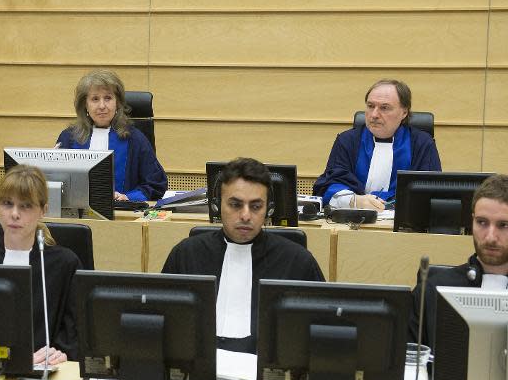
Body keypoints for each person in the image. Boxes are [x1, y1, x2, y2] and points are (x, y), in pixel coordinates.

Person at [161, 157, 324, 353]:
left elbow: (321, 335)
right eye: (235, 205)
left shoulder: (298, 261)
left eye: (256, 206)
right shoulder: (186, 254)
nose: (246, 215)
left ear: (269, 209)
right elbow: (162, 327)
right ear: (216, 206)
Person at [0, 165, 82, 364]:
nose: (15, 214)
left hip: (43, 372)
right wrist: (13, 359)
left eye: (26, 206)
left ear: (43, 210)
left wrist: (59, 355)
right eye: (7, 204)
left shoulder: (65, 264)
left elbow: (74, 338)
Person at [409, 174, 508, 348]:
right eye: (482, 222)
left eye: (503, 225)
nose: (491, 237)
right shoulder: (432, 290)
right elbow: (409, 362)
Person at [313, 79, 441, 211]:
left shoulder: (421, 144)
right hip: (354, 221)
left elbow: (431, 191)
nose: (374, 115)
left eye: (384, 108)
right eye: (370, 106)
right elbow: (329, 184)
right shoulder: (348, 141)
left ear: (404, 112)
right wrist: (354, 201)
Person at [55, 69, 167, 201]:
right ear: (85, 104)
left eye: (108, 98)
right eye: (95, 99)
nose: (102, 106)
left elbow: (156, 184)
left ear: (117, 102)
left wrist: (128, 197)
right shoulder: (69, 138)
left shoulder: (134, 139)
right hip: (77, 214)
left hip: (121, 215)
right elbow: (55, 185)